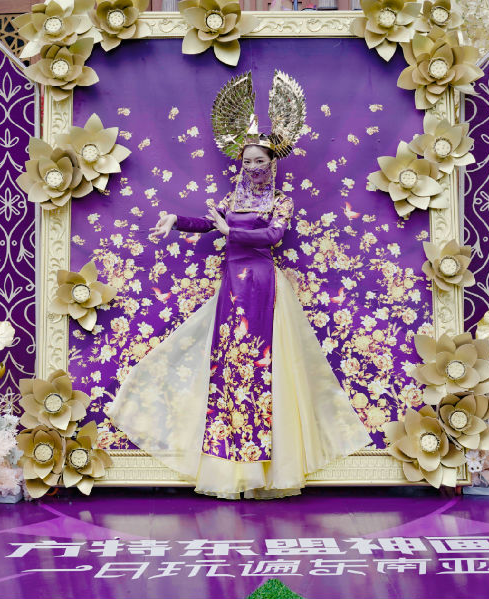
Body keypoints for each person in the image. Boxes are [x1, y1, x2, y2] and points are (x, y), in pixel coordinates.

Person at [105, 72, 371, 498]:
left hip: (263, 285)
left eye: (259, 161)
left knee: (264, 365)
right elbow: (209, 223)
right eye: (246, 162)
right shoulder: (234, 199)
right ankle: (233, 467)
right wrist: (176, 220)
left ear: (272, 162)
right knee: (228, 367)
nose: (252, 167)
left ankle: (267, 466)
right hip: (232, 285)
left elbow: (273, 237)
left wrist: (232, 232)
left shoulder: (280, 201)